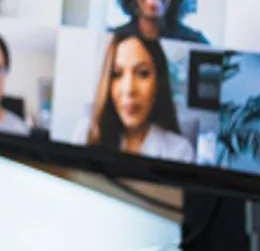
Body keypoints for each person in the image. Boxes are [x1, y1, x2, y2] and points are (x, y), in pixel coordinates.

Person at [74, 29, 195, 162]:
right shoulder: (85, 134)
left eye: (142, 73)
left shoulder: (179, 151)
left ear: (158, 82)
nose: (129, 89)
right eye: (117, 74)